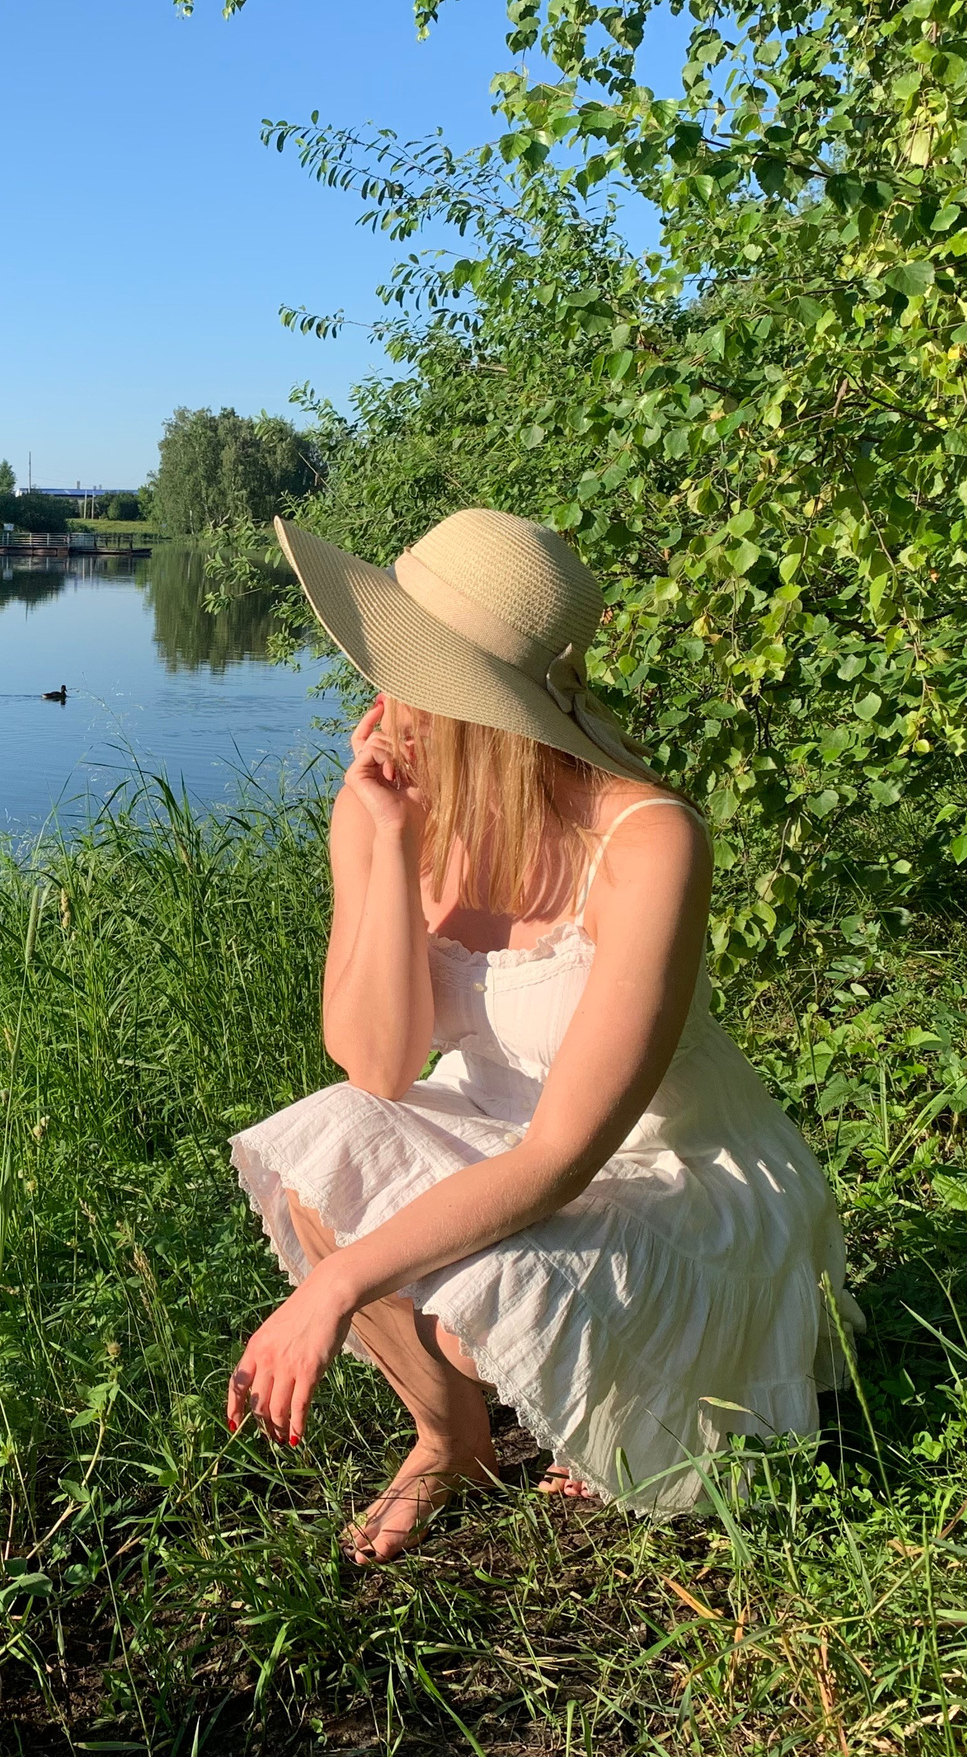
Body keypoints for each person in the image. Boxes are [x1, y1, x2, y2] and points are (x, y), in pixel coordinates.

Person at [227, 509, 860, 1561]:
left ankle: (620, 1391)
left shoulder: (645, 839)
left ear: (491, 706)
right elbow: (377, 1066)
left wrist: (337, 1286)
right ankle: (452, 1442)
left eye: (414, 674)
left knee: (467, 1294)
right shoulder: (385, 799)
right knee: (320, 1151)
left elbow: (566, 1157)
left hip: (668, 1173)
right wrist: (387, 844)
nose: (383, 705)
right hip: (491, 1133)